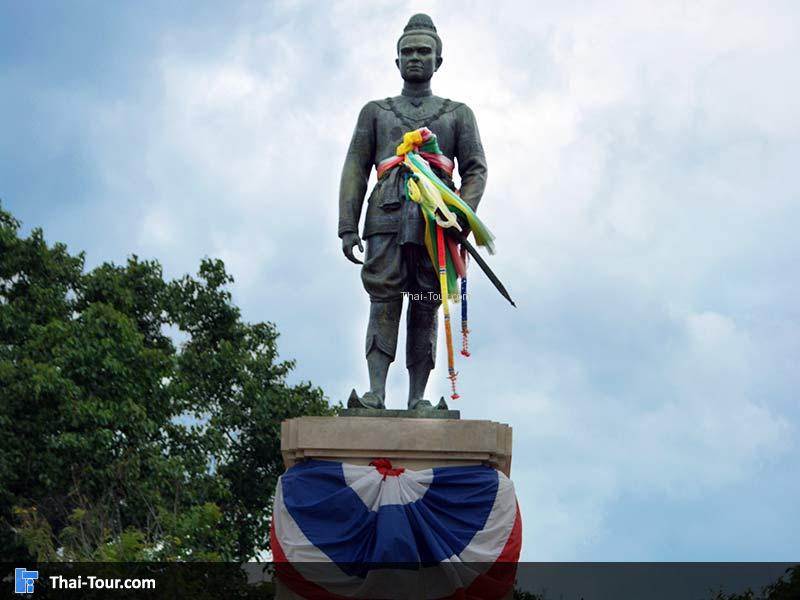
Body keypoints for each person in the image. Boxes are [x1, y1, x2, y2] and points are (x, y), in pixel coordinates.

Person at [339, 13, 487, 410]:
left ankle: (418, 397)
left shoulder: (458, 113)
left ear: (439, 60)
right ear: (397, 61)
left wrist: (460, 215)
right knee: (384, 299)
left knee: (424, 300)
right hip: (385, 215)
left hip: (432, 222)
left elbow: (475, 169)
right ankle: (375, 393)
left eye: (424, 51)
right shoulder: (376, 111)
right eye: (407, 52)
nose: (415, 58)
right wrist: (347, 226)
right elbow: (355, 166)